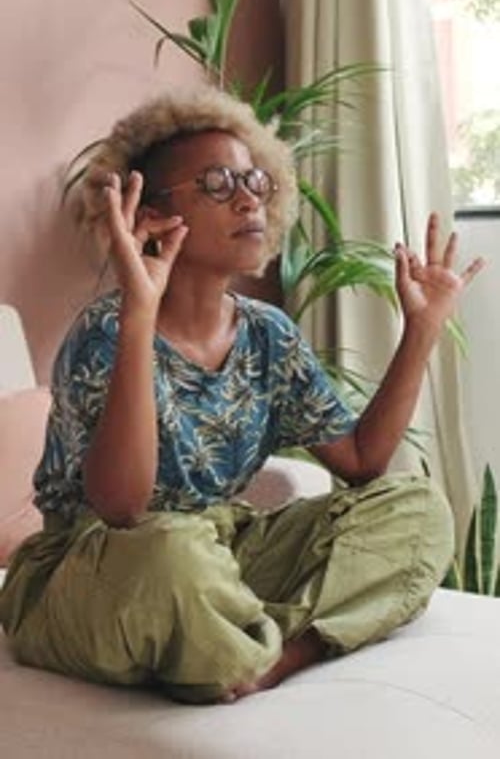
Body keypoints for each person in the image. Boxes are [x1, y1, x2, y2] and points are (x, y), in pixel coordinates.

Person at [0, 86, 484, 704]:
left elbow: (362, 462)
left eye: (255, 180)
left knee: (417, 510)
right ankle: (228, 634)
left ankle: (268, 654)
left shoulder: (267, 333)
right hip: (95, 568)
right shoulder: (105, 332)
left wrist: (420, 331)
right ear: (150, 212)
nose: (250, 198)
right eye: (218, 183)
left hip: (217, 549)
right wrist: (140, 313)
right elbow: (122, 508)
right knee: (171, 553)